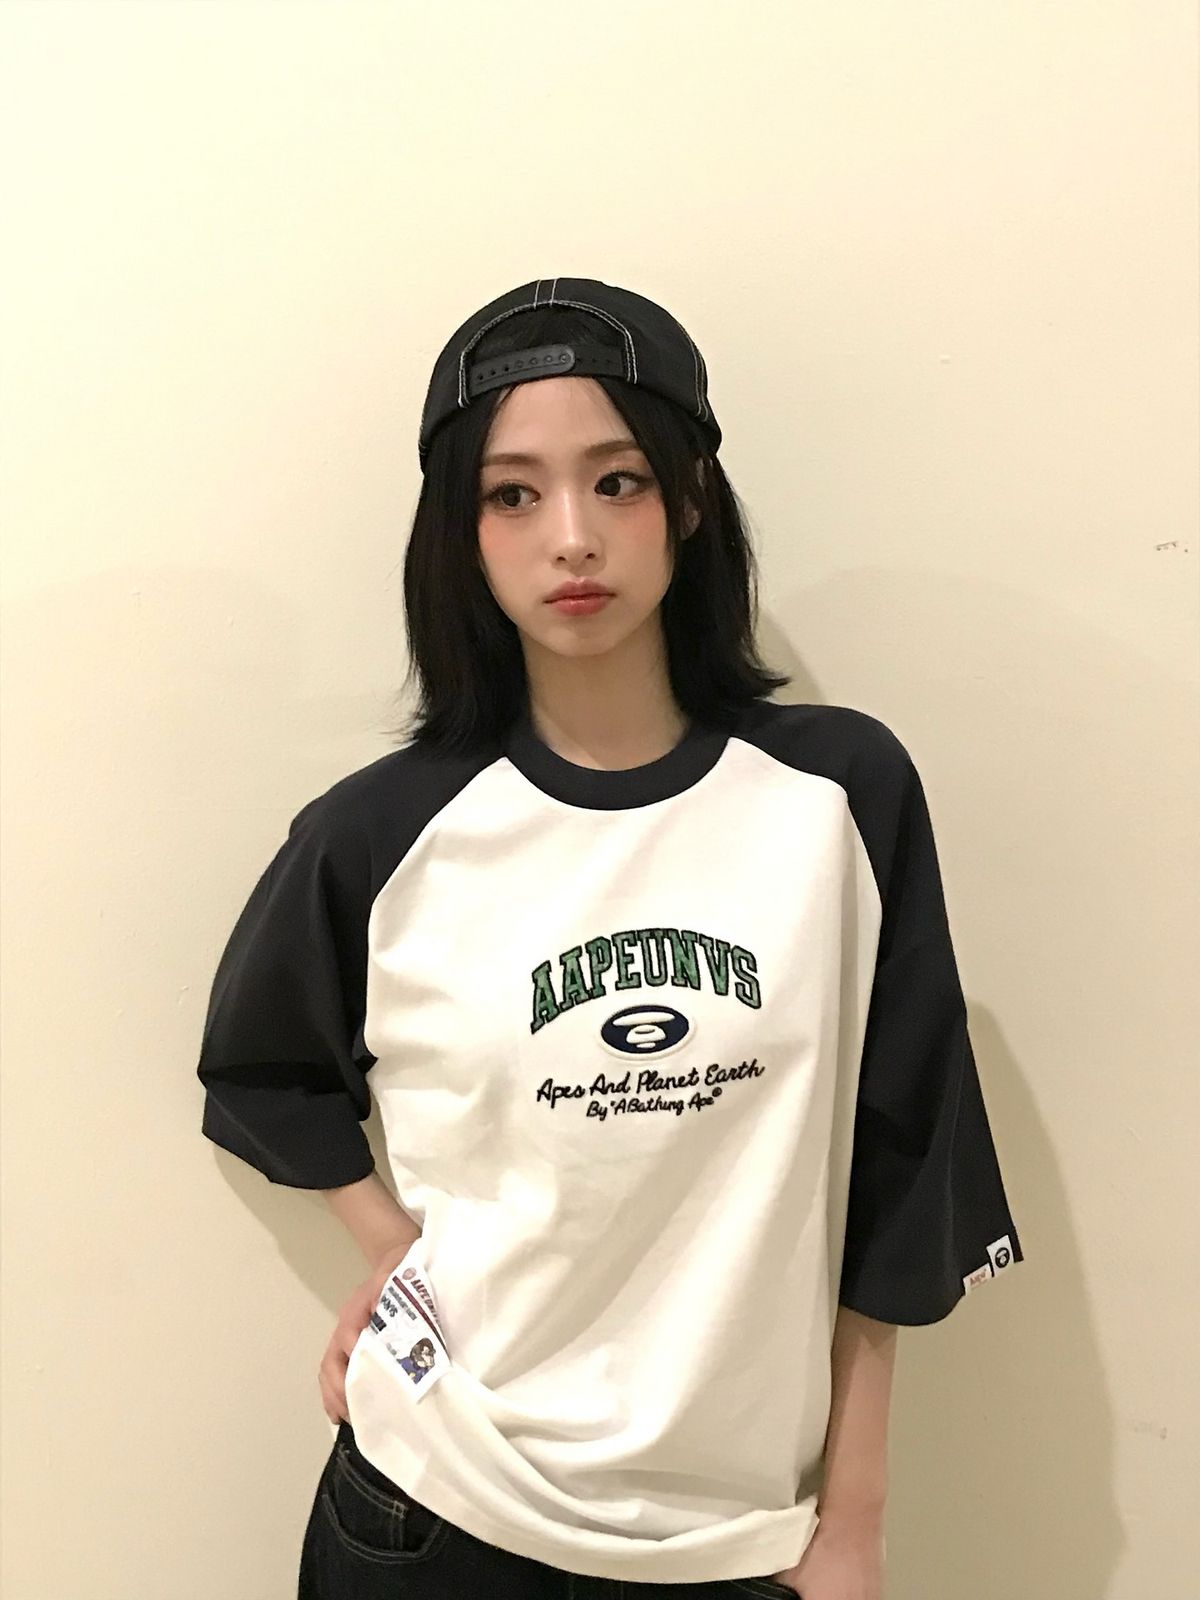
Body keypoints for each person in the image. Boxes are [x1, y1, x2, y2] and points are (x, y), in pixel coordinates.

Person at [196, 276, 1025, 1600]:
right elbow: (260, 1072)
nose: (571, 538)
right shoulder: (382, 833)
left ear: (688, 500)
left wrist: (855, 1518)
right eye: (512, 495)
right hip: (431, 1512)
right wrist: (399, 1258)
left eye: (617, 481)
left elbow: (904, 1161)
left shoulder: (839, 799)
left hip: (733, 1544)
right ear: (462, 534)